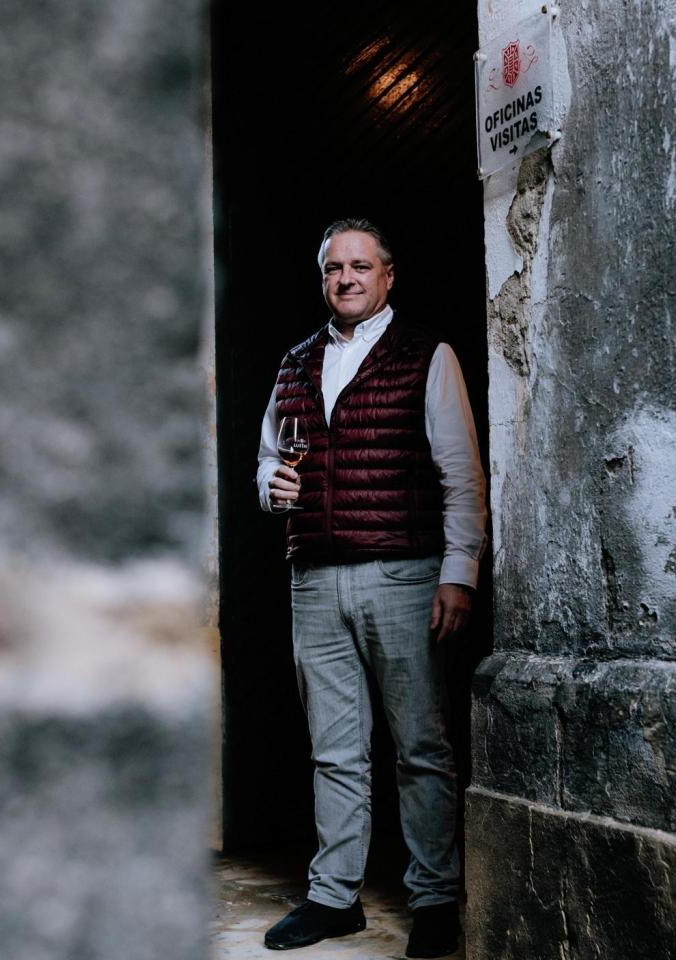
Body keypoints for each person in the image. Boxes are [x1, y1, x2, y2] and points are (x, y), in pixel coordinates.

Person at [254, 218, 486, 957]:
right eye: (334, 269)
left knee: (420, 743)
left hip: (403, 574)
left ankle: (435, 898)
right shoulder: (294, 364)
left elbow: (462, 478)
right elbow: (265, 467)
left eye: (361, 266)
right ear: (322, 278)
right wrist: (273, 487)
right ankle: (334, 897)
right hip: (314, 579)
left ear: (389, 276)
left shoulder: (429, 354)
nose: (346, 278)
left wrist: (460, 574)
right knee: (334, 748)